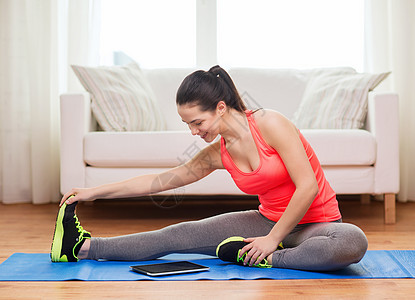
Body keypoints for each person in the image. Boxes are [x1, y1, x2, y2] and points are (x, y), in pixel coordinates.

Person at [51, 65, 368, 271]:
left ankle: (266, 257)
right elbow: (159, 181)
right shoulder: (215, 154)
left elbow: (308, 186)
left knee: (352, 241)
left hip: (318, 225)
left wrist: (272, 240)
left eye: (197, 122)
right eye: (187, 124)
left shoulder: (271, 123)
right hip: (265, 220)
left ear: (220, 108)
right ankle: (83, 247)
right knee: (178, 234)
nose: (193, 132)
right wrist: (93, 192)